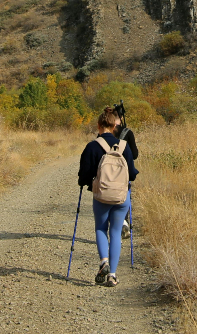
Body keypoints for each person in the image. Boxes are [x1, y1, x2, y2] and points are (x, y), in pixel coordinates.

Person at [78, 106, 138, 287]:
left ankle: (104, 261)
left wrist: (87, 183)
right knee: (115, 232)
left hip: (101, 196)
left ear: (99, 125)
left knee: (101, 229)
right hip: (121, 197)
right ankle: (112, 274)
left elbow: (84, 176)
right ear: (115, 126)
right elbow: (133, 174)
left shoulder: (92, 146)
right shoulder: (124, 147)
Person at [114, 117, 138, 240]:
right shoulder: (127, 132)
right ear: (121, 118)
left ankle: (116, 224)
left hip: (106, 175)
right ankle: (123, 221)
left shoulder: (103, 133)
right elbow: (134, 155)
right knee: (123, 197)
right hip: (123, 173)